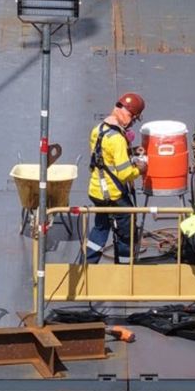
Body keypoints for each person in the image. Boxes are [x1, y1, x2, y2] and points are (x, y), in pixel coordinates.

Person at [84, 93, 147, 264]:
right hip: (113, 196)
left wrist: (131, 151)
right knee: (127, 233)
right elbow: (125, 174)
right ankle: (124, 270)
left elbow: (103, 156)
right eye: (134, 118)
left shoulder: (98, 130)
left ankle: (88, 264)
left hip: (97, 192)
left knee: (100, 228)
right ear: (129, 114)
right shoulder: (118, 139)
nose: (133, 123)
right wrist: (140, 169)